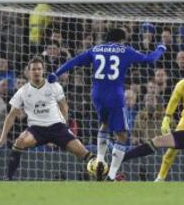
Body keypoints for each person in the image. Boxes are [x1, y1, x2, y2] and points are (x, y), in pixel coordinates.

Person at [47, 28, 166, 181]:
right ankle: (111, 175)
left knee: (105, 124)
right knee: (122, 135)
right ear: (122, 39)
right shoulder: (125, 50)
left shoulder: (96, 49)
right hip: (114, 96)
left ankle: (101, 161)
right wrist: (160, 49)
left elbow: (74, 61)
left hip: (97, 95)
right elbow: (150, 59)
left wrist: (56, 73)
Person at [0, 57, 96, 180]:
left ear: (43, 70)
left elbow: (64, 106)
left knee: (84, 153)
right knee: (19, 142)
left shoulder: (54, 85)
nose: (36, 72)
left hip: (57, 127)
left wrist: (64, 124)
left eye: (39, 69)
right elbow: (11, 115)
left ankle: (104, 175)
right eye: (33, 69)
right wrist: (3, 136)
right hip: (36, 129)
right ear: (28, 72)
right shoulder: (23, 91)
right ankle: (8, 178)